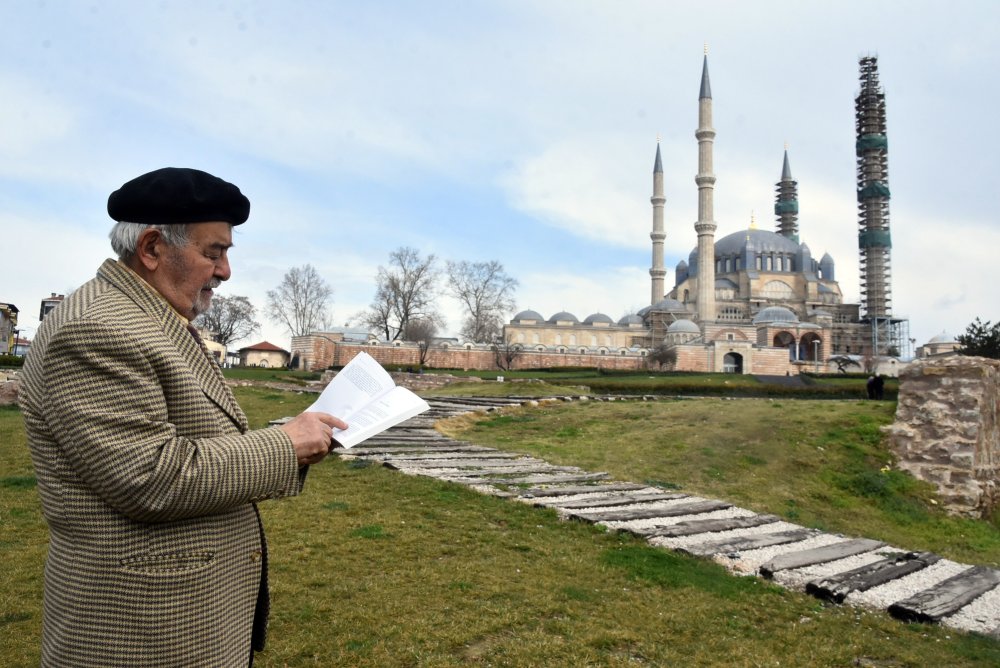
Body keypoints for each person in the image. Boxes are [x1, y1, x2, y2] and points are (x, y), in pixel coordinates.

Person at [18, 167, 347, 666]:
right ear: (151, 248)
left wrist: (291, 437)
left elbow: (186, 441)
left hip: (180, 622)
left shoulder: (147, 316)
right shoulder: (97, 329)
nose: (225, 272)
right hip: (139, 635)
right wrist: (285, 445)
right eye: (213, 253)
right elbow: (151, 477)